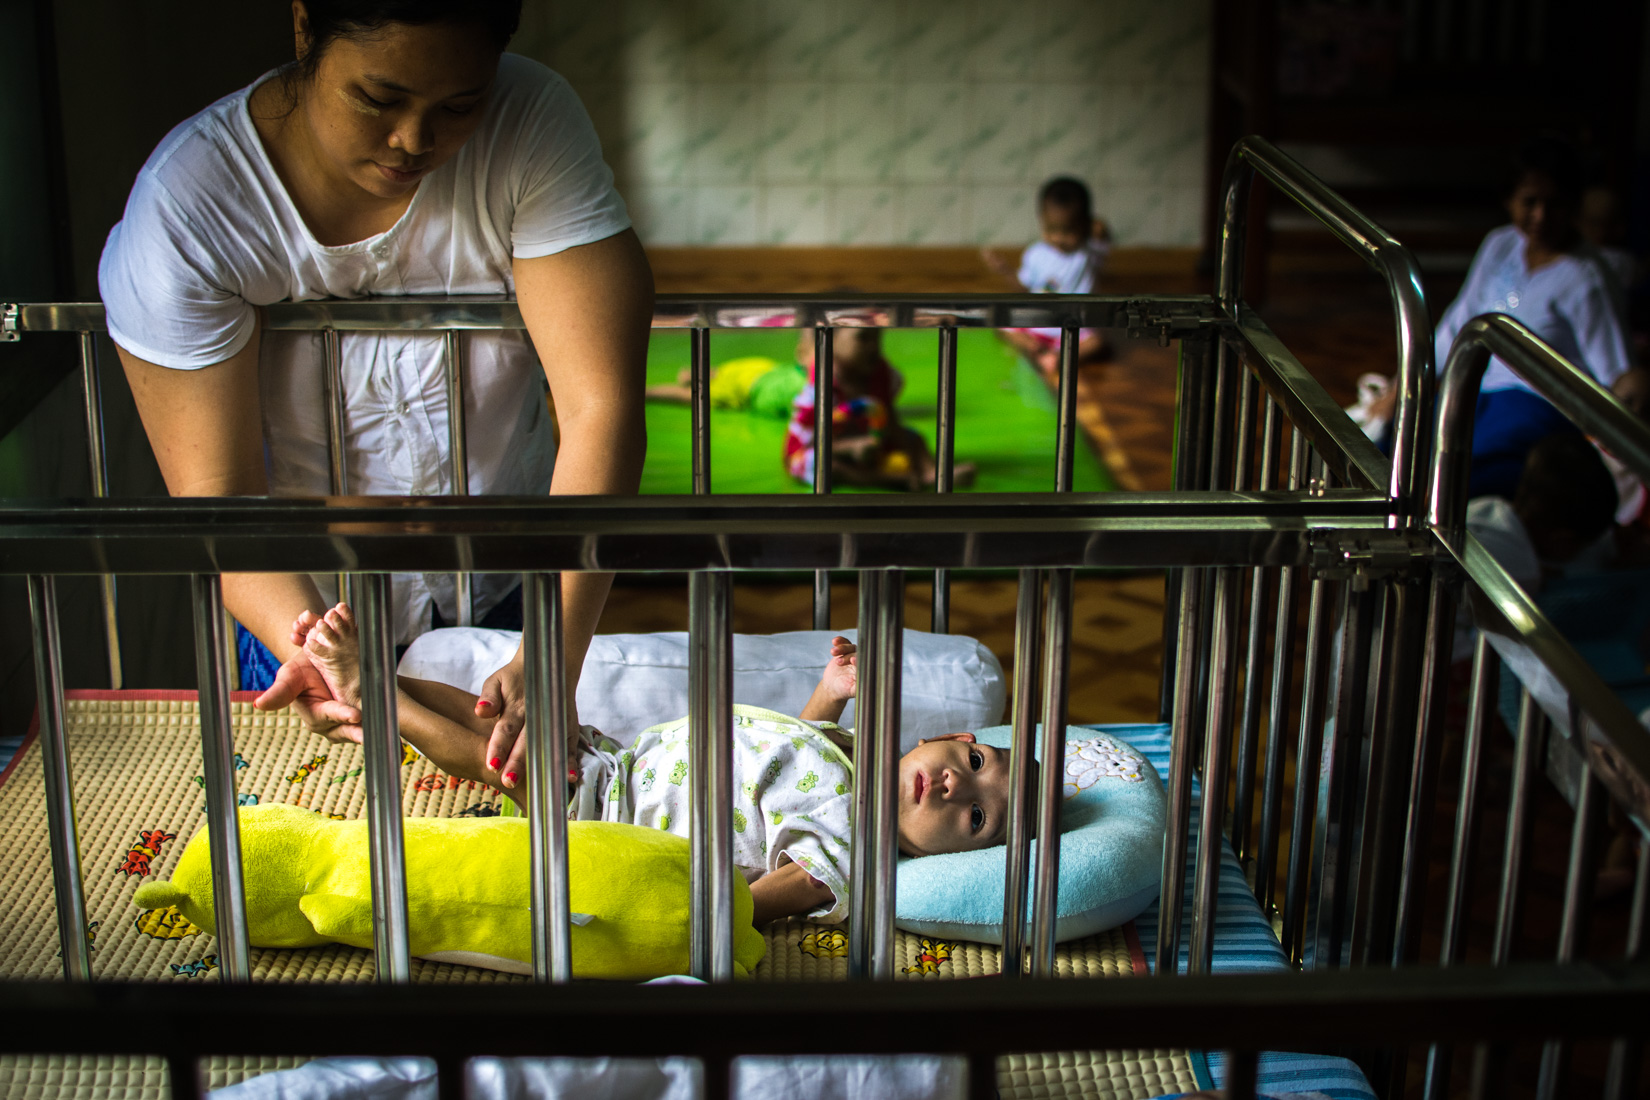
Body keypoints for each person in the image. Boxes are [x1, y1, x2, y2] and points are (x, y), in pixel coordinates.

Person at [98, 0, 654, 783]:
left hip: (514, 581)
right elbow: (221, 499)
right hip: (296, 599)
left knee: (511, 812)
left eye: (459, 106)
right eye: (378, 98)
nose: (414, 140)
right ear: (303, 30)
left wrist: (552, 655)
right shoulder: (194, 204)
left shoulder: (529, 121)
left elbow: (601, 406)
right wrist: (322, 658)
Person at [297, 604, 1026, 927]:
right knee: (485, 712)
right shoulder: (853, 758)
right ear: (955, 736)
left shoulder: (853, 841)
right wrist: (830, 694)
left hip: (615, 818)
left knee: (503, 763)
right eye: (973, 759)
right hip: (625, 761)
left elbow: (792, 886)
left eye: (974, 815)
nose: (958, 783)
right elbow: (789, 759)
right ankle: (378, 685)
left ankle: (375, 696)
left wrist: (715, 916)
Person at [1426, 136, 1632, 499]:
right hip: (1476, 390)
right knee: (1405, 443)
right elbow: (1461, 317)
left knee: (1463, 477)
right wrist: (1408, 383)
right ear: (1509, 201)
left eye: (1555, 204)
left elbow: (1613, 370)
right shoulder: (1501, 244)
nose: (1540, 216)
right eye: (1529, 202)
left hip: (1536, 407)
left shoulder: (1587, 277)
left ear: (1574, 205)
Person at [784, 329, 969, 491]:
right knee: (824, 467)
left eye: (877, 338)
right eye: (863, 338)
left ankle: (932, 473)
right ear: (831, 340)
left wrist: (894, 441)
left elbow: (890, 419)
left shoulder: (881, 373)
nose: (873, 347)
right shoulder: (820, 387)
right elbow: (813, 441)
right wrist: (850, 448)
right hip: (822, 450)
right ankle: (886, 480)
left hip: (868, 439)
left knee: (914, 437)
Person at [982, 176, 1111, 380]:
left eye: (1068, 231)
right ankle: (1034, 348)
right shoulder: (1035, 253)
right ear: (1041, 220)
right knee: (1002, 323)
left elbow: (1102, 231)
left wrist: (1089, 227)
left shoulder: (1089, 253)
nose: (1058, 237)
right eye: (1051, 229)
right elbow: (1024, 289)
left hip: (1073, 326)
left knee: (1097, 342)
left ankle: (1060, 357)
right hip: (1038, 322)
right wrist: (1005, 270)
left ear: (1084, 226)